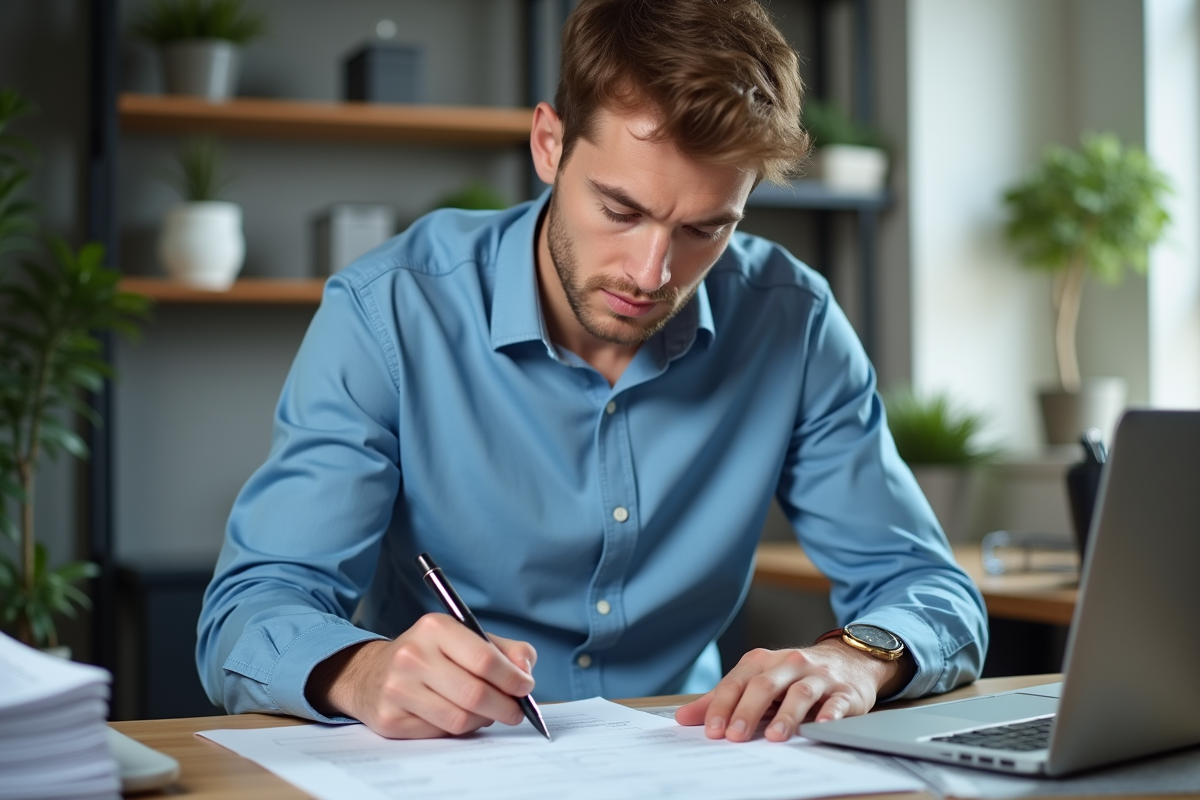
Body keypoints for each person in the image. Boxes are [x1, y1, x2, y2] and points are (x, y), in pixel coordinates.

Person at [197, 0, 987, 744]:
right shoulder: (391, 312)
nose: (651, 273)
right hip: (451, 761)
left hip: (693, 758)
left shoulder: (792, 319)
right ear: (549, 144)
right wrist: (365, 671)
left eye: (705, 229)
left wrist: (856, 659)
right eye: (621, 210)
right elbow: (250, 610)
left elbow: (927, 587)